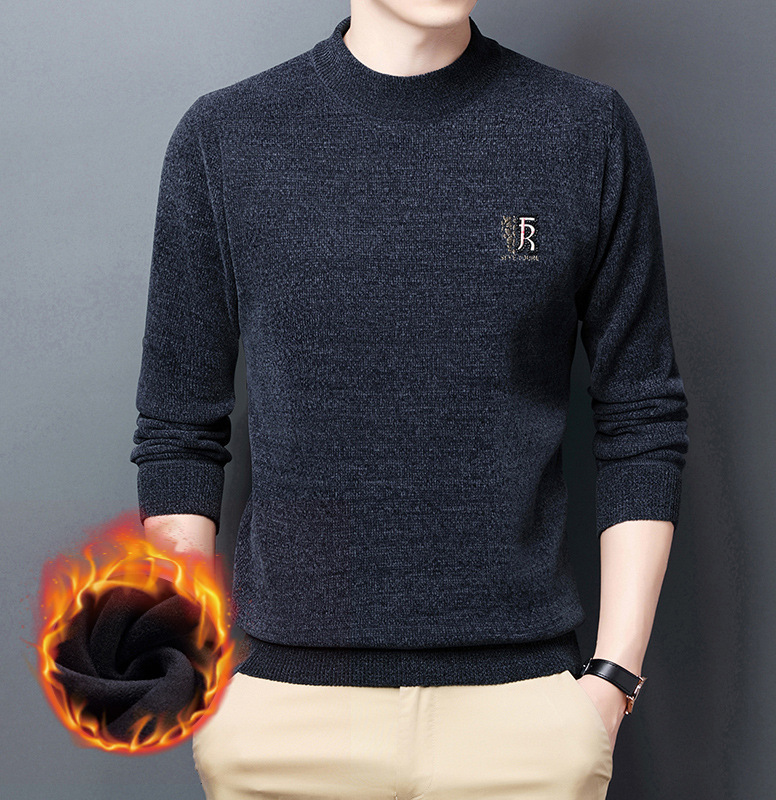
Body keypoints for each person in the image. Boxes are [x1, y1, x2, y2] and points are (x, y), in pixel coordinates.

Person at [130, 0, 689, 797]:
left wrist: (613, 679)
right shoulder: (226, 137)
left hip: (525, 718)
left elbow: (642, 418)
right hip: (285, 716)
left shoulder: (583, 129)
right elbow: (179, 429)